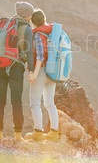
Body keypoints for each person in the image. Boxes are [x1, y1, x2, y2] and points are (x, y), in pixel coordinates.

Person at [0, 1, 34, 142]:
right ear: (27, 15)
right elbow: (29, 52)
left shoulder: (5, 25)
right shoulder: (26, 29)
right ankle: (18, 136)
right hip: (16, 68)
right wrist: (31, 71)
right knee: (16, 101)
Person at [25, 9, 60, 142]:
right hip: (52, 71)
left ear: (33, 22)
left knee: (34, 103)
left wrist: (34, 73)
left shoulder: (38, 34)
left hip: (41, 71)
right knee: (50, 103)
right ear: (44, 19)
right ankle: (54, 133)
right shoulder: (52, 32)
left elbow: (40, 56)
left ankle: (38, 132)